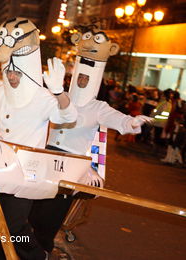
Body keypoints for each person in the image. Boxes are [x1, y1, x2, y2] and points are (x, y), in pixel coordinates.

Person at [29, 27, 153, 256]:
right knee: (29, 215)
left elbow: (122, 122)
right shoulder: (58, 94)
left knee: (48, 222)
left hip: (69, 170)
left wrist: (134, 122)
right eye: (81, 73)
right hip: (43, 160)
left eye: (89, 74)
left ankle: (41, 253)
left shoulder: (99, 108)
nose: (83, 78)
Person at [0, 17, 77, 260]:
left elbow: (67, 116)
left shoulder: (43, 96)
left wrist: (59, 92)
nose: (12, 76)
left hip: (27, 172)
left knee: (15, 226)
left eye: (17, 72)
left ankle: (39, 258)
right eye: (9, 71)